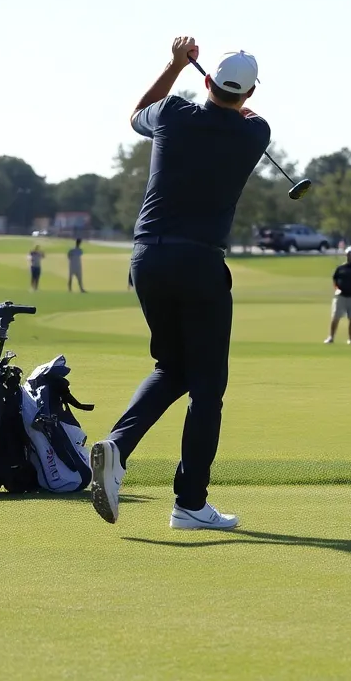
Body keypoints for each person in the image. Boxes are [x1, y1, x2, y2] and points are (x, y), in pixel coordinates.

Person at [90, 36, 271, 532]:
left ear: (207, 81)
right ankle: (190, 503)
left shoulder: (171, 113)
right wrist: (237, 102)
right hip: (200, 264)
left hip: (147, 258)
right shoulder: (256, 134)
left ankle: (117, 449)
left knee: (172, 367)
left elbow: (137, 114)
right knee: (207, 386)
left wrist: (174, 64)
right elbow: (249, 115)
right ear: (250, 92)